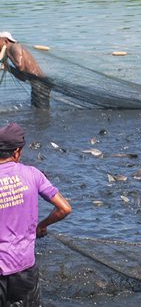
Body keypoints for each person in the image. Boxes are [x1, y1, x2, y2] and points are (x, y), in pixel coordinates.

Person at [0, 122, 72, 306]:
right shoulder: (33, 174)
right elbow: (64, 208)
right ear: (16, 152)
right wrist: (42, 225)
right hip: (25, 266)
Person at [0, 32, 51, 109]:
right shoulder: (13, 48)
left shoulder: (14, 46)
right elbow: (23, 77)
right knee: (38, 109)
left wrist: (7, 62)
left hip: (40, 83)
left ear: (6, 41)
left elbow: (20, 66)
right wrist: (8, 68)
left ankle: (45, 121)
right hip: (38, 83)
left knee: (42, 111)